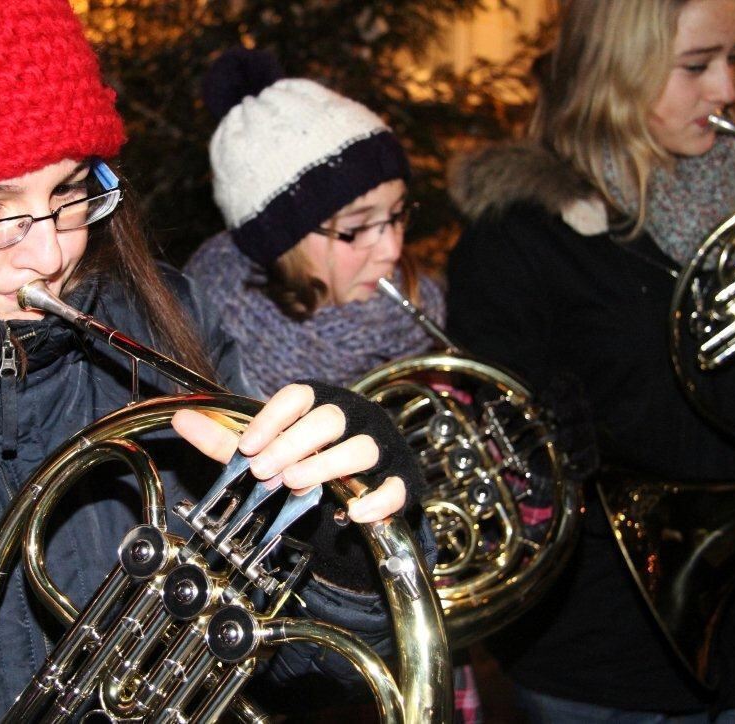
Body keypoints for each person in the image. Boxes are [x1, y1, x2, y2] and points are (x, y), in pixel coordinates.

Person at [0, 1, 424, 720]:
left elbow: (297, 667)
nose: (51, 253)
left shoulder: (171, 322)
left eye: (72, 190)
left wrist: (340, 553)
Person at [445, 0, 735, 721]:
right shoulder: (516, 241)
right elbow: (507, 467)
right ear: (613, 68)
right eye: (695, 65)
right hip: (599, 652)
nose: (725, 89)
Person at [184, 49, 480, 722]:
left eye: (400, 213)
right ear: (279, 242)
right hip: (301, 678)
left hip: (428, 639)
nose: (392, 249)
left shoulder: (420, 302)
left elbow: (465, 469)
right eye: (356, 228)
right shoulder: (219, 346)